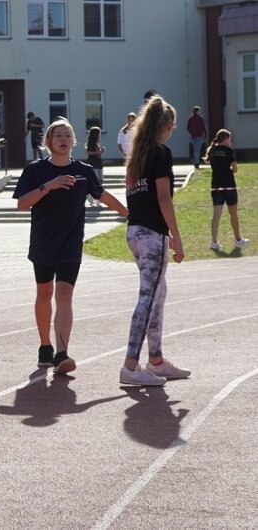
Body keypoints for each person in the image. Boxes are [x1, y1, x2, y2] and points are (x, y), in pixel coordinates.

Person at [13, 118, 128, 374]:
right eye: (58, 136)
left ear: (73, 141)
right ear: (48, 142)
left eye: (67, 135)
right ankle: (45, 347)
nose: (63, 139)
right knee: (44, 294)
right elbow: (22, 204)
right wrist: (49, 186)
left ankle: (62, 354)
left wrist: (127, 212)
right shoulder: (35, 170)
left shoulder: (84, 171)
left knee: (64, 295)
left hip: (70, 245)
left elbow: (103, 195)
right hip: (43, 242)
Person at [120, 95, 191, 386]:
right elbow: (164, 198)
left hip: (135, 232)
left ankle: (157, 360)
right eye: (172, 126)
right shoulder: (160, 153)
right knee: (149, 298)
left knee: (157, 294)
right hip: (151, 234)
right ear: (166, 126)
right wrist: (176, 236)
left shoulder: (135, 156)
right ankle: (130, 365)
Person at [204, 129, 249, 251]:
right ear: (226, 139)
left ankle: (214, 242)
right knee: (233, 213)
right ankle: (238, 240)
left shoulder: (212, 150)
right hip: (229, 185)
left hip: (216, 185)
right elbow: (235, 169)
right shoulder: (229, 151)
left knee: (216, 215)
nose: (231, 141)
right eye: (230, 138)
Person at [85, 126, 105, 206]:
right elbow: (89, 153)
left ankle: (98, 197)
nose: (100, 135)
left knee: (100, 180)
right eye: (99, 133)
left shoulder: (97, 142)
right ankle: (91, 197)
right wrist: (99, 152)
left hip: (99, 162)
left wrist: (100, 151)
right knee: (95, 180)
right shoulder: (91, 142)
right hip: (93, 162)